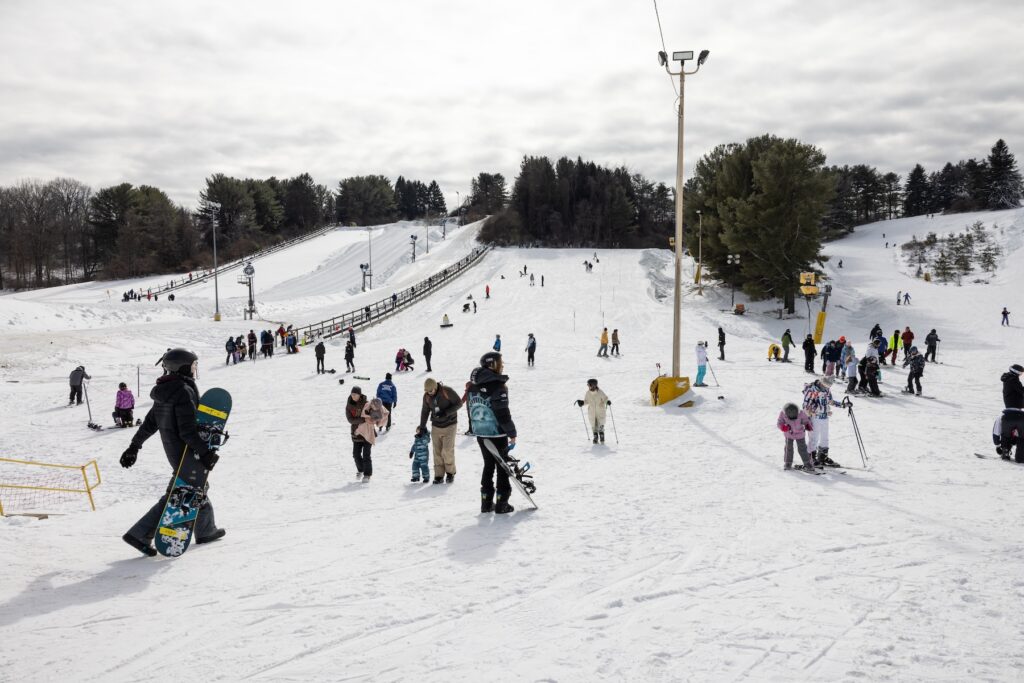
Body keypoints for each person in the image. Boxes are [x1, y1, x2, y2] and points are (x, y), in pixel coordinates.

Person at [119, 348, 222, 556]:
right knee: (180, 493)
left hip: (174, 450)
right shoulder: (183, 391)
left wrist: (134, 446)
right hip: (186, 451)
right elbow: (187, 431)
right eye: (192, 365)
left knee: (194, 488)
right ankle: (140, 534)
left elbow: (149, 423)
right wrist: (204, 452)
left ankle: (206, 530)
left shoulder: (165, 391)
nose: (194, 369)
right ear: (182, 367)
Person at [467, 352, 517, 513]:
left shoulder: (473, 385)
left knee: (488, 465)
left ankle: (486, 502)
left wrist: (473, 428)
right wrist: (511, 432)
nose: (502, 365)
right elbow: (502, 412)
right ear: (492, 364)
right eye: (500, 362)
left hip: (481, 433)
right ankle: (502, 503)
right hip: (497, 433)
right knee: (502, 466)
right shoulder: (497, 385)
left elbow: (470, 410)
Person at [420, 378, 463, 484]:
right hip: (436, 426)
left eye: (431, 391)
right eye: (427, 391)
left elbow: (459, 403)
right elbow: (425, 411)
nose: (429, 393)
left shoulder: (447, 391)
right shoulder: (426, 397)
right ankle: (439, 475)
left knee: (447, 450)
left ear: (435, 388)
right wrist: (422, 427)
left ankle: (450, 473)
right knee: (437, 452)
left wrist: (446, 413)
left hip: (450, 424)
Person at [346, 387, 388, 482]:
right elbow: (350, 419)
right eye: (352, 394)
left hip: (368, 432)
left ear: (359, 394)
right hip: (356, 431)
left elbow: (378, 410)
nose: (353, 396)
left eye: (355, 394)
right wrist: (364, 419)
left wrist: (376, 419)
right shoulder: (349, 405)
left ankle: (367, 474)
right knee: (356, 454)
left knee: (366, 454)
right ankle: (361, 470)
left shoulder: (367, 403)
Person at [802, 376, 844, 467]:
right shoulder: (812, 390)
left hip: (824, 417)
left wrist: (842, 405)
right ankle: (811, 458)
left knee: (825, 438)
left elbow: (830, 401)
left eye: (828, 386)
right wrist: (815, 410)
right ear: (821, 383)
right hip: (815, 417)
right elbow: (805, 405)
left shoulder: (827, 390)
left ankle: (822, 457)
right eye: (825, 385)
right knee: (814, 438)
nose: (826, 388)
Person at [777, 402, 816, 472]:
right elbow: (779, 422)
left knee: (803, 449)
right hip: (789, 434)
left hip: (800, 433)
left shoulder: (801, 413)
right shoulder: (782, 413)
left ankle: (808, 464)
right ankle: (788, 463)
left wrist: (807, 425)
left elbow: (806, 420)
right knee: (789, 449)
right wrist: (783, 427)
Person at [999, 365, 1024, 461]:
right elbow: (1022, 391)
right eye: (1021, 373)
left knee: (1006, 435)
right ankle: (1021, 457)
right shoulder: (1013, 380)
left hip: (1008, 412)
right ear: (1016, 372)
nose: (1021, 374)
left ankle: (1005, 452)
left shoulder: (1008, 379)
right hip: (1017, 412)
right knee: (1022, 436)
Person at [576, 378, 609, 444]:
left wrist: (607, 402)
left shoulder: (600, 392)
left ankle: (602, 435)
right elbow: (586, 401)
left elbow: (605, 398)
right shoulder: (588, 393)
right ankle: (595, 436)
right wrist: (582, 403)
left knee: (601, 423)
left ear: (593, 385)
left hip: (600, 411)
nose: (588, 386)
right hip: (592, 412)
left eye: (589, 385)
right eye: (588, 385)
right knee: (593, 424)